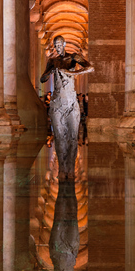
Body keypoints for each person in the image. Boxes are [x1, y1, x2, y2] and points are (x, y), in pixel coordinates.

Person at [40, 35, 93, 179]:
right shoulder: (52, 61)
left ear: (64, 44)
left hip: (71, 102)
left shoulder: (73, 57)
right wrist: (49, 72)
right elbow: (42, 78)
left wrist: (72, 73)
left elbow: (90, 68)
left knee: (71, 138)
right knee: (59, 137)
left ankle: (70, 167)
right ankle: (62, 168)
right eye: (55, 45)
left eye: (59, 44)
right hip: (57, 102)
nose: (57, 47)